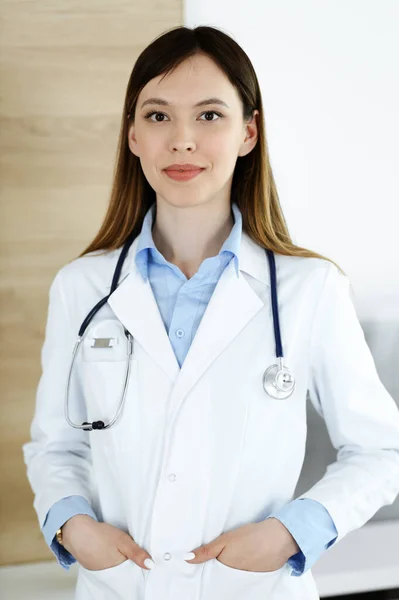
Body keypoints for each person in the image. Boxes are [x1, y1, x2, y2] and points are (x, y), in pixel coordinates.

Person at [22, 25, 399, 600]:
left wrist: (292, 533)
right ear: (131, 136)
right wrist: (75, 527)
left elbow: (380, 451)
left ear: (248, 133)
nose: (181, 140)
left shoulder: (310, 289)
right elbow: (56, 445)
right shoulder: (83, 287)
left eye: (209, 116)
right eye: (157, 116)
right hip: (121, 587)